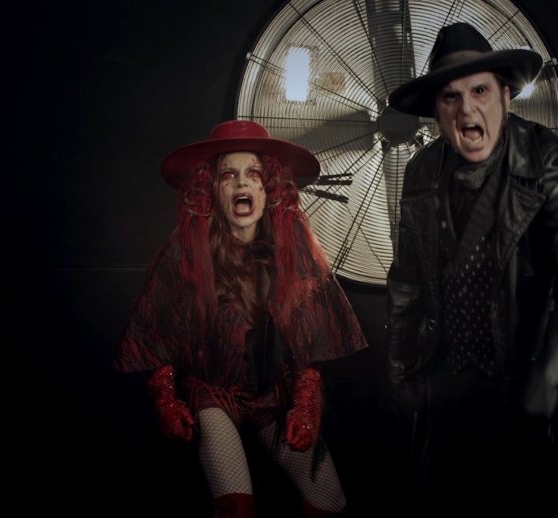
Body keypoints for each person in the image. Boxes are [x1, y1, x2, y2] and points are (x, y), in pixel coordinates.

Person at [382, 22, 558, 513]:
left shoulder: (544, 158)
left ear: (506, 95)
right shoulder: (420, 171)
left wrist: (547, 385)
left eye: (480, 91)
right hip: (451, 388)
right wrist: (399, 373)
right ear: (436, 112)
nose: (467, 110)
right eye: (451, 97)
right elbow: (406, 284)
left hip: (527, 378)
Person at [115, 120, 368, 518]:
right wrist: (166, 399)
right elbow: (155, 332)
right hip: (213, 391)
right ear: (211, 190)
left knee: (330, 501)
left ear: (269, 189)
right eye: (228, 175)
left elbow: (314, 339)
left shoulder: (295, 251)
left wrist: (305, 405)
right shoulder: (185, 254)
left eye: (254, 173)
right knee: (236, 506)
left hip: (273, 393)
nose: (241, 183)